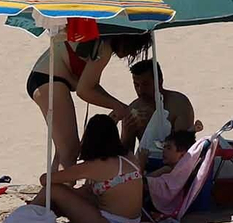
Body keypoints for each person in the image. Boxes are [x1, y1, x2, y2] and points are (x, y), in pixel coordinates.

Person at [26, 32, 151, 172]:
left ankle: (53, 190)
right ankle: (59, 190)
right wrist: (118, 106)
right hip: (48, 80)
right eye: (134, 48)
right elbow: (84, 91)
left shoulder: (100, 40)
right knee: (70, 151)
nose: (131, 54)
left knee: (64, 152)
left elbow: (90, 86)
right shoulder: (104, 47)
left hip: (45, 79)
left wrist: (118, 107)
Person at [27, 114, 144, 223]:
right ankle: (37, 212)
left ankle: (25, 218)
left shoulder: (95, 166)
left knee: (54, 190)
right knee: (76, 194)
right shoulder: (129, 157)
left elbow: (45, 180)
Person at [123, 60, 200, 156]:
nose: (141, 90)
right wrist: (126, 133)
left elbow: (183, 148)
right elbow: (126, 155)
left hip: (174, 165)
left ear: (160, 80)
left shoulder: (179, 104)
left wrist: (157, 122)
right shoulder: (133, 109)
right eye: (136, 85)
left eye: (146, 84)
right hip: (144, 164)